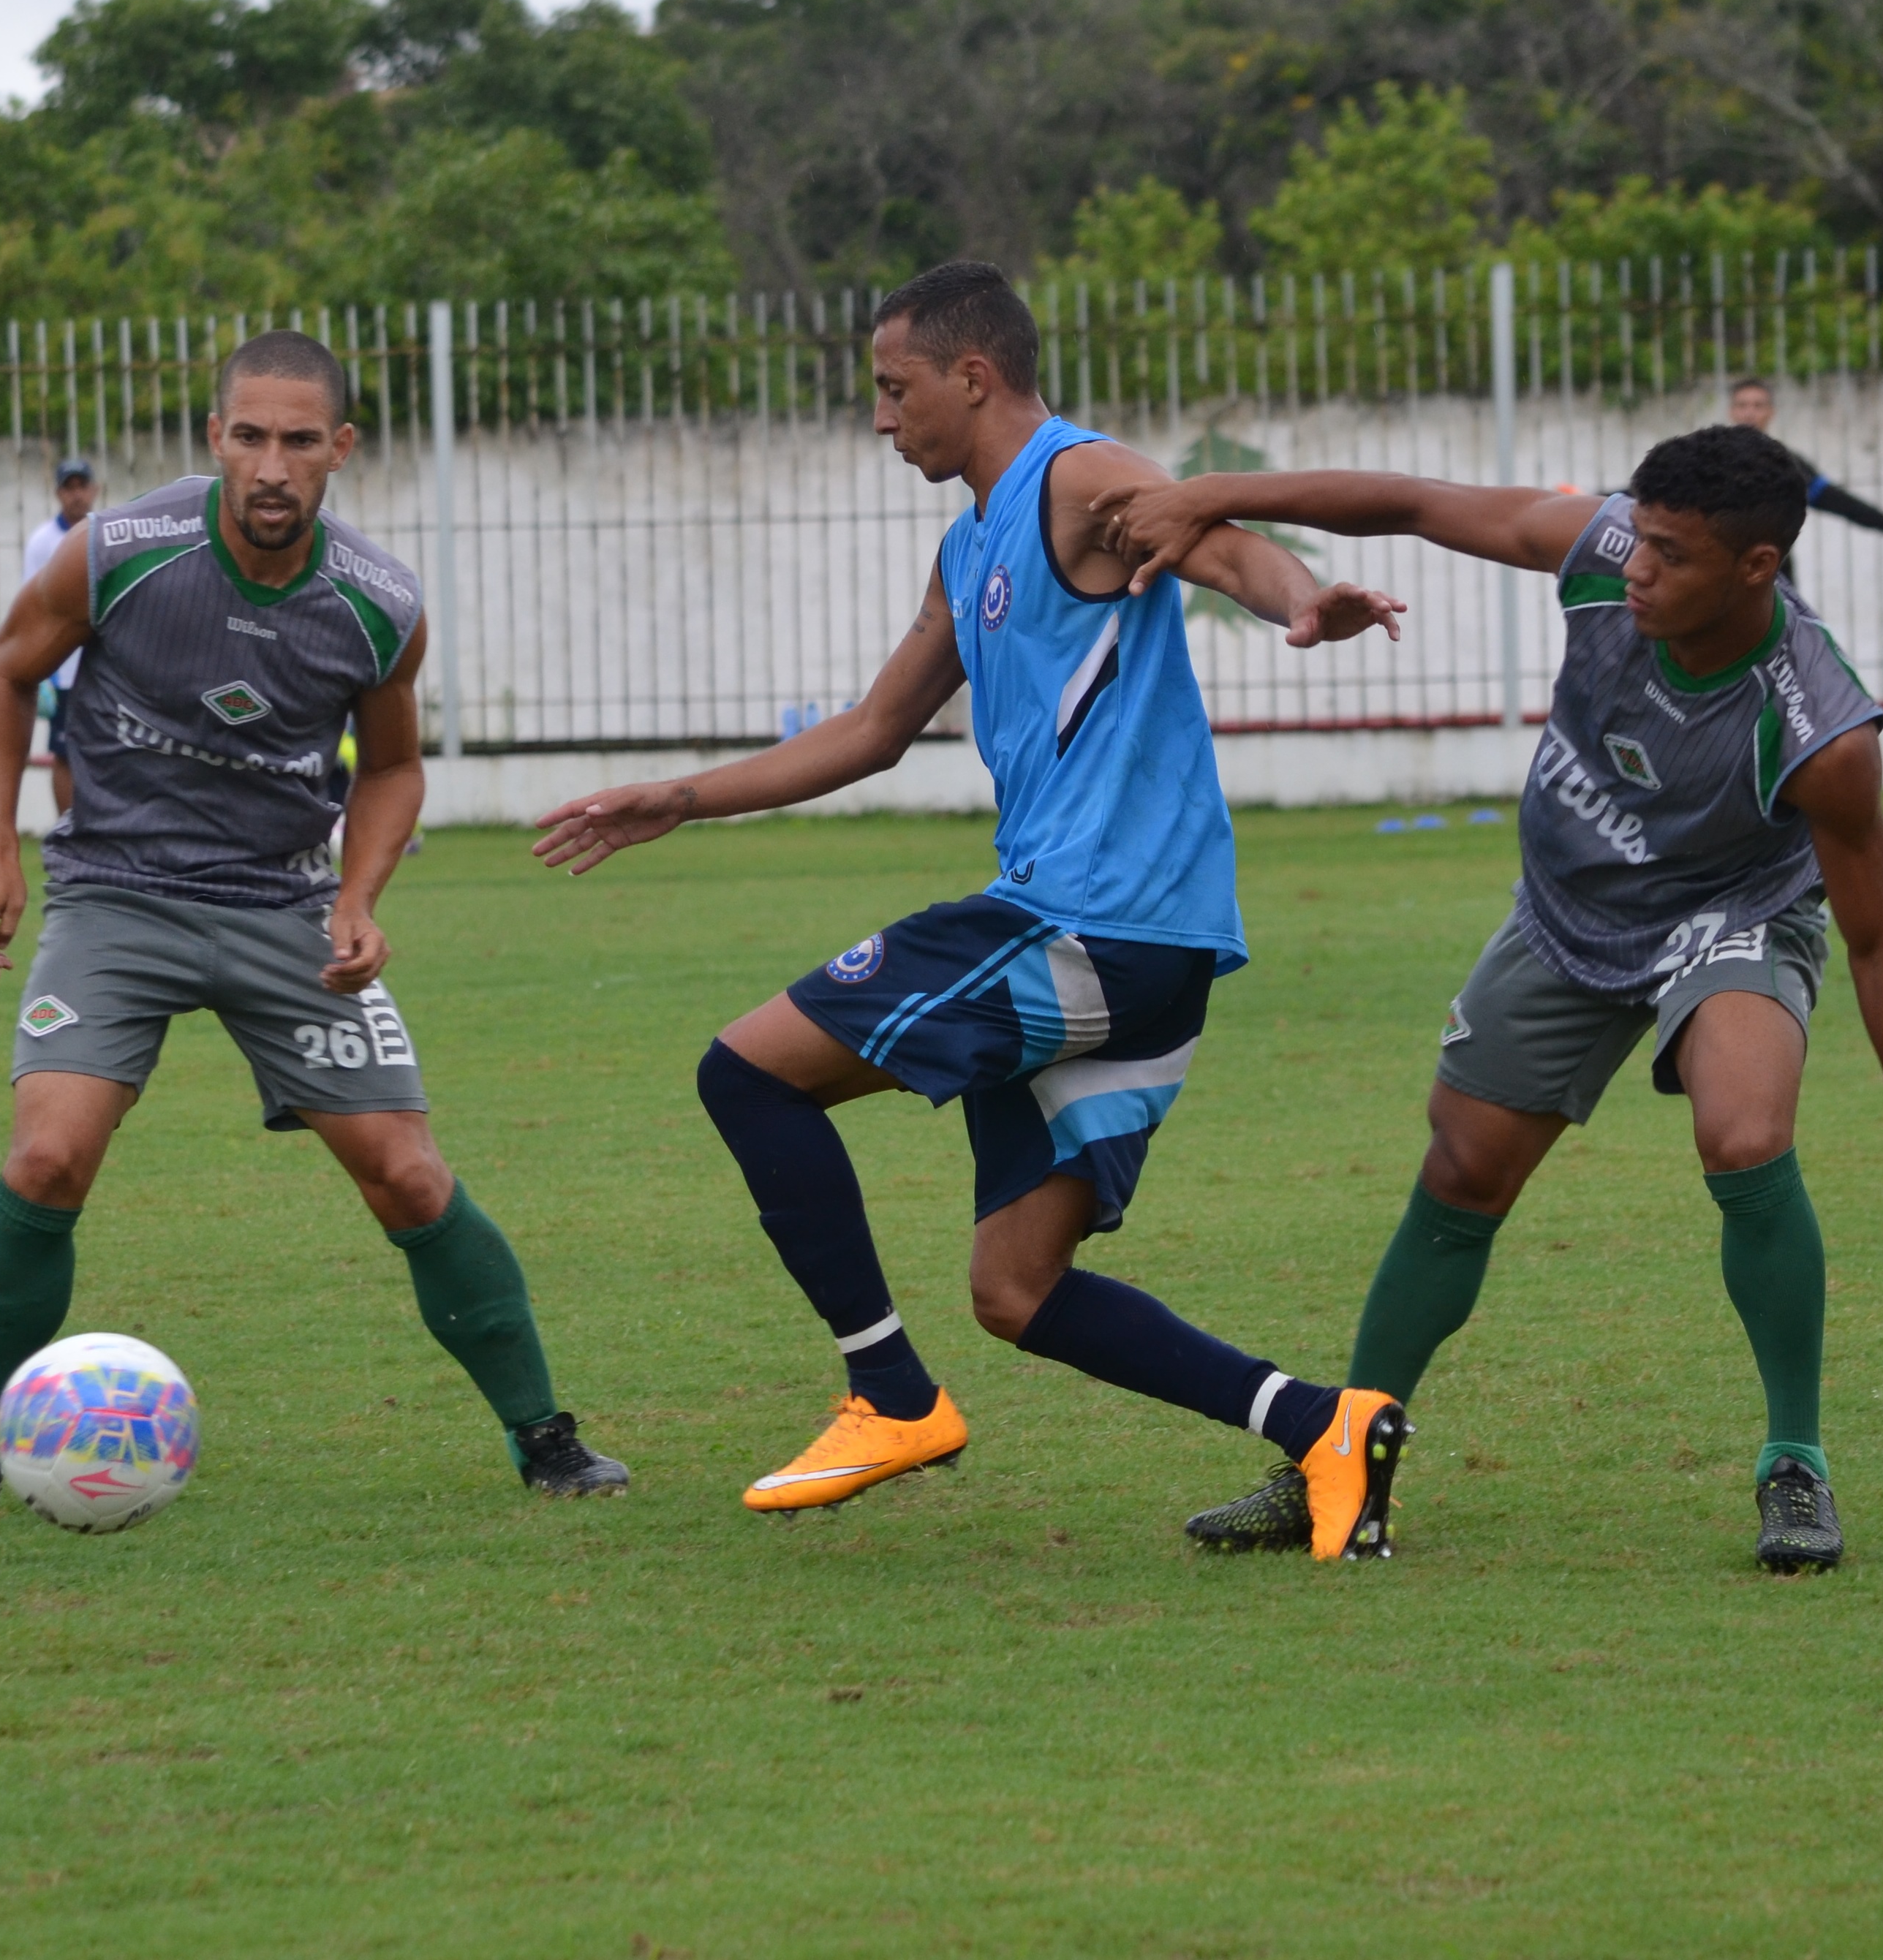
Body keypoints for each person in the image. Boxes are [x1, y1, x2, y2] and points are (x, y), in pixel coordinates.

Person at [531, 261, 1414, 1559]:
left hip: (1089, 923)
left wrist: (1301, 602)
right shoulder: (971, 541)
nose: (883, 421)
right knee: (1017, 1290)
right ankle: (1327, 1427)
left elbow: (1213, 537)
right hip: (1140, 948)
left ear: (973, 376)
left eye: (895, 391)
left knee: (746, 1073)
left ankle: (887, 1394)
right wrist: (685, 794)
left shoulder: (1075, 479)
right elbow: (878, 729)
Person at [1095, 425, 1883, 1572]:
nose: (1636, 569)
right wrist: (1207, 494)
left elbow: (1879, 945)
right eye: (1638, 539)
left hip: (1729, 917)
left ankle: (1794, 1464)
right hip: (1568, 912)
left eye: (1670, 554)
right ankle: (1341, 1456)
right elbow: (1413, 499)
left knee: (1744, 1130)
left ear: (1756, 567)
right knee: (1461, 1169)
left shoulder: (1817, 729)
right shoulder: (1603, 546)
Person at [0, 330, 627, 1517]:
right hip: (115, 897)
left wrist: (358, 898)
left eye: (297, 440)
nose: (270, 465)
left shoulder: (377, 605)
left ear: (340, 449)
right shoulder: (120, 551)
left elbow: (390, 771)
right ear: (214, 437)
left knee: (409, 1176)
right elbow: (5, 671)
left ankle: (547, 1440)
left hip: (280, 907)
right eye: (248, 436)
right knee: (46, 1156)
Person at [1726, 377, 1883, 580]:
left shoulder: (1787, 464)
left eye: (1758, 406)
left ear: (1771, 412)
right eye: (1743, 405)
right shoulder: (1711, 461)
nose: (1750, 413)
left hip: (1773, 579)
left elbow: (1839, 502)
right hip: (1721, 576)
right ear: (1732, 411)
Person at [22, 458, 97, 814]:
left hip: (102, 665)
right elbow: (32, 607)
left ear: (94, 490)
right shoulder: (42, 542)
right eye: (70, 487)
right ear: (58, 494)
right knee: (64, 753)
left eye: (82, 486)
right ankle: (68, 828)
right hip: (63, 668)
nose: (77, 495)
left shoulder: (110, 533)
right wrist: (44, 672)